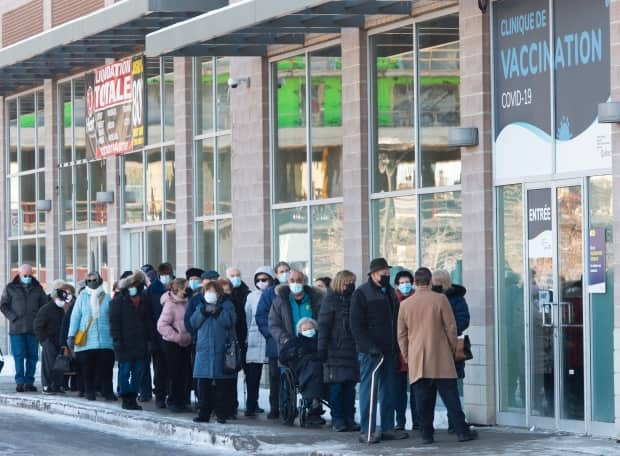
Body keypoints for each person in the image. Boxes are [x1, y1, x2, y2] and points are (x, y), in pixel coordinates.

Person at [397, 267, 477, 444]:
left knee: (422, 400)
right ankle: (461, 432)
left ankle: (426, 434)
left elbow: (401, 335)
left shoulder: (405, 304)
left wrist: (407, 355)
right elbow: (450, 327)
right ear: (430, 281)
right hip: (441, 356)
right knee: (451, 397)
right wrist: (451, 347)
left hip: (418, 358)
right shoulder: (440, 299)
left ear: (415, 283)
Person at [350, 257, 408, 444]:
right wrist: (368, 347)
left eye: (387, 273)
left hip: (389, 349)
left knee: (388, 390)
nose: (386, 275)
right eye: (383, 273)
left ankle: (388, 427)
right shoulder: (362, 293)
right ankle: (367, 430)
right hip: (371, 352)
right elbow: (356, 325)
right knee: (370, 391)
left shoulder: (390, 292)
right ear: (373, 274)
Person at [317, 270, 359, 432]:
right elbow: (324, 326)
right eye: (348, 282)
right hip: (335, 350)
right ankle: (338, 419)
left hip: (352, 350)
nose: (350, 286)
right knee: (337, 388)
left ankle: (349, 418)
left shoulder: (355, 299)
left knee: (349, 388)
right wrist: (322, 348)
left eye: (352, 282)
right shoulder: (330, 301)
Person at [189, 280, 237, 424]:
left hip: (221, 350)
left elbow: (230, 322)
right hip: (204, 351)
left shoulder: (227, 306)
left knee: (222, 385)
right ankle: (204, 413)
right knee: (203, 384)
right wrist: (203, 312)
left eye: (214, 291)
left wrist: (218, 312)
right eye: (208, 291)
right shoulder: (200, 306)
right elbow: (193, 323)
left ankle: (222, 413)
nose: (211, 294)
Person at [432, 269, 471, 432]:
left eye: (437, 281)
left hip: (452, 346)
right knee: (447, 388)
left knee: (451, 387)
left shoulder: (456, 298)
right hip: (436, 345)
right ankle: (454, 423)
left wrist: (449, 331)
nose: (435, 284)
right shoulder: (431, 298)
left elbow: (463, 320)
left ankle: (453, 423)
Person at [67, 271, 116, 401]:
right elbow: (75, 317)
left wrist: (115, 335)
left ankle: (108, 392)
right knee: (87, 369)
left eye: (95, 280)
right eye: (89, 280)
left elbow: (112, 318)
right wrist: (71, 335)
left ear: (100, 281)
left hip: (105, 340)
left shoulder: (106, 298)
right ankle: (89, 391)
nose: (92, 283)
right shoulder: (82, 298)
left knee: (106, 369)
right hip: (86, 341)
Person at [1, 264, 48, 392]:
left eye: (29, 275)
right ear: (19, 274)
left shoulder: (38, 289)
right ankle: (20, 382)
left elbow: (45, 306)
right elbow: (3, 305)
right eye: (25, 275)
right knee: (19, 355)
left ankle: (29, 382)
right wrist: (13, 317)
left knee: (33, 356)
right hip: (17, 329)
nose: (27, 277)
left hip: (33, 329)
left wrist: (39, 320)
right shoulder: (10, 288)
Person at [110, 271, 152, 410]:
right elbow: (114, 322)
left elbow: (148, 321)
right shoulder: (118, 301)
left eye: (136, 285)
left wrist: (149, 339)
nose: (133, 288)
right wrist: (116, 339)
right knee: (124, 371)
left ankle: (133, 396)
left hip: (140, 343)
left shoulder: (144, 300)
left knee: (138, 371)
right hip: (124, 343)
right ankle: (125, 396)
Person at [255, 260, 290, 419]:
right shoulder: (270, 293)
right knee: (275, 377)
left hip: (293, 342)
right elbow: (261, 316)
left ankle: (289, 406)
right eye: (281, 271)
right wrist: (270, 334)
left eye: (287, 270)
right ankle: (275, 407)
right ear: (276, 274)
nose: (285, 273)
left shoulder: (294, 289)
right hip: (275, 342)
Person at [278, 317, 325, 426]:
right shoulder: (294, 342)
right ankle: (313, 403)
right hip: (301, 369)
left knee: (317, 367)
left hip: (320, 368)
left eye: (310, 328)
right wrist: (293, 353)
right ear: (299, 331)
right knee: (313, 367)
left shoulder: (320, 340)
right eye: (305, 329)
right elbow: (282, 358)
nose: (308, 331)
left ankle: (316, 403)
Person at [157, 278, 193, 413]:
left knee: (184, 373)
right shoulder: (170, 304)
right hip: (172, 344)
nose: (187, 289)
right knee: (174, 373)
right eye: (185, 287)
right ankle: (173, 400)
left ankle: (182, 400)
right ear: (179, 289)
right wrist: (177, 336)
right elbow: (161, 325)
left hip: (186, 343)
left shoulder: (187, 302)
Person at [244, 266, 273, 416]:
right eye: (259, 280)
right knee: (253, 375)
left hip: (270, 336)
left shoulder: (276, 294)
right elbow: (248, 317)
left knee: (274, 375)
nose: (261, 282)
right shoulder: (251, 297)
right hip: (255, 337)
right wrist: (248, 336)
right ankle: (251, 404)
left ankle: (275, 406)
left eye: (265, 279)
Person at [144, 262, 174, 408]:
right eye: (162, 275)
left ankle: (172, 395)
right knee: (160, 368)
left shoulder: (176, 289)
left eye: (167, 275)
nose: (165, 278)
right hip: (157, 336)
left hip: (173, 336)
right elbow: (148, 314)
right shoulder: (152, 290)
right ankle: (160, 396)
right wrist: (151, 335)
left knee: (173, 368)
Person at [34, 280, 69, 394]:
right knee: (48, 365)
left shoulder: (60, 310)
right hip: (49, 340)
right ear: (54, 298)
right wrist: (44, 340)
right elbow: (37, 326)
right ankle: (47, 385)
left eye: (63, 300)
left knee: (59, 365)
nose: (62, 302)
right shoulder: (46, 309)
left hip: (58, 341)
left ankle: (56, 385)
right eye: (60, 300)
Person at [393, 269, 417, 431]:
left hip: (415, 347)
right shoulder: (392, 300)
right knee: (398, 390)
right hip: (397, 350)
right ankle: (400, 421)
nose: (405, 285)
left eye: (407, 282)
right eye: (401, 283)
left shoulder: (417, 299)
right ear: (397, 285)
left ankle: (418, 421)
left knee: (416, 389)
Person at [225, 267, 250, 419]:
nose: (236, 278)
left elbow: (241, 323)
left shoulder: (241, 298)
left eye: (237, 275)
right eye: (232, 276)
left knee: (231, 373)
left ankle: (232, 405)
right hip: (219, 342)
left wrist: (241, 339)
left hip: (235, 342)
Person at [58, 283, 80, 394]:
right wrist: (62, 342)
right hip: (65, 336)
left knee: (75, 362)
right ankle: (64, 383)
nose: (68, 295)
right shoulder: (61, 304)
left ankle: (74, 384)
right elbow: (64, 325)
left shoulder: (76, 304)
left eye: (69, 292)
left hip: (75, 337)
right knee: (66, 362)